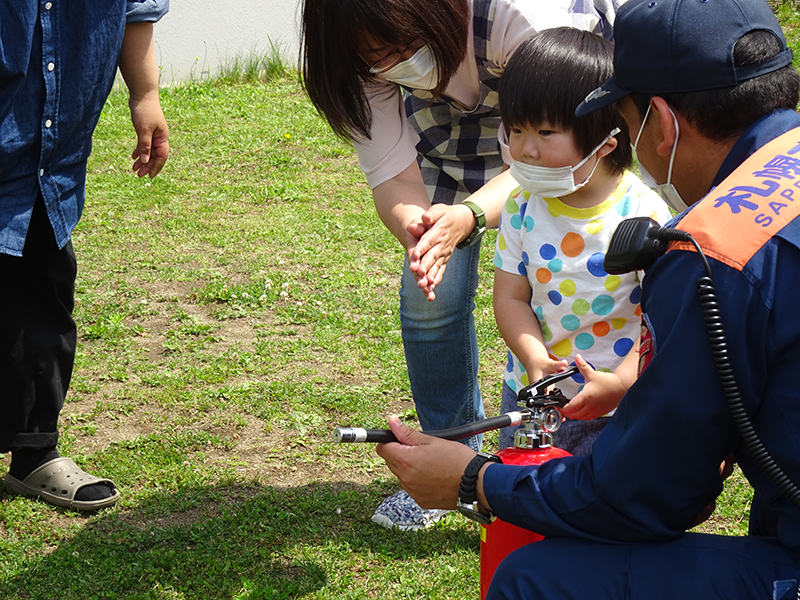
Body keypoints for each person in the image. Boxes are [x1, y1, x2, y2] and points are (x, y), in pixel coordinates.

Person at [376, 0, 800, 596]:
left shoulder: (714, 256)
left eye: (624, 120)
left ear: (660, 124)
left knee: (531, 578)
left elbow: (649, 494)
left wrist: (474, 480)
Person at [300, 0, 623, 530]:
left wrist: (469, 216)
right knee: (429, 300)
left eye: (402, 46)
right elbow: (392, 176)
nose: (393, 64)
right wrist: (422, 229)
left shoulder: (519, 17)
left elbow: (545, 148)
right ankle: (450, 462)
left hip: (554, 154)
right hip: (455, 155)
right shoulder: (356, 55)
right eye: (376, 58)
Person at [0, 0, 170, 511]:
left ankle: (35, 452)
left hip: (51, 153)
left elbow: (135, 7)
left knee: (42, 298)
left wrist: (145, 94)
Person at [493, 27, 669, 454]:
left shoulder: (643, 214)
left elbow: (662, 318)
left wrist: (621, 383)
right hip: (534, 397)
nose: (526, 149)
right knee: (523, 488)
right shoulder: (521, 206)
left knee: (602, 492)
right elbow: (510, 298)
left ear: (605, 142)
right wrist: (533, 358)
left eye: (545, 132)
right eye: (515, 130)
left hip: (616, 406)